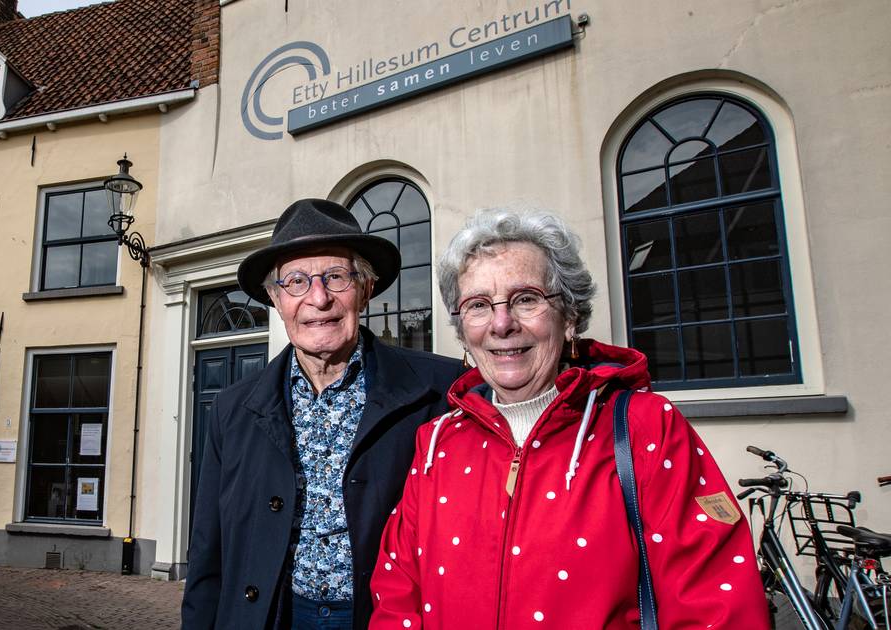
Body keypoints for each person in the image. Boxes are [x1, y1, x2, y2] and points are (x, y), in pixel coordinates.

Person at [369, 209, 769, 628]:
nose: (502, 324)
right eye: (479, 305)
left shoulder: (644, 427)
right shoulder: (437, 442)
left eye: (526, 299)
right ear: (462, 327)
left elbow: (715, 607)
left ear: (570, 316)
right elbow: (399, 592)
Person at [182, 199, 464, 629]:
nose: (319, 298)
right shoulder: (230, 410)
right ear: (277, 300)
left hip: (384, 619)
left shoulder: (441, 392)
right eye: (295, 281)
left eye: (336, 276)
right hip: (272, 616)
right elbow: (208, 553)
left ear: (366, 289)